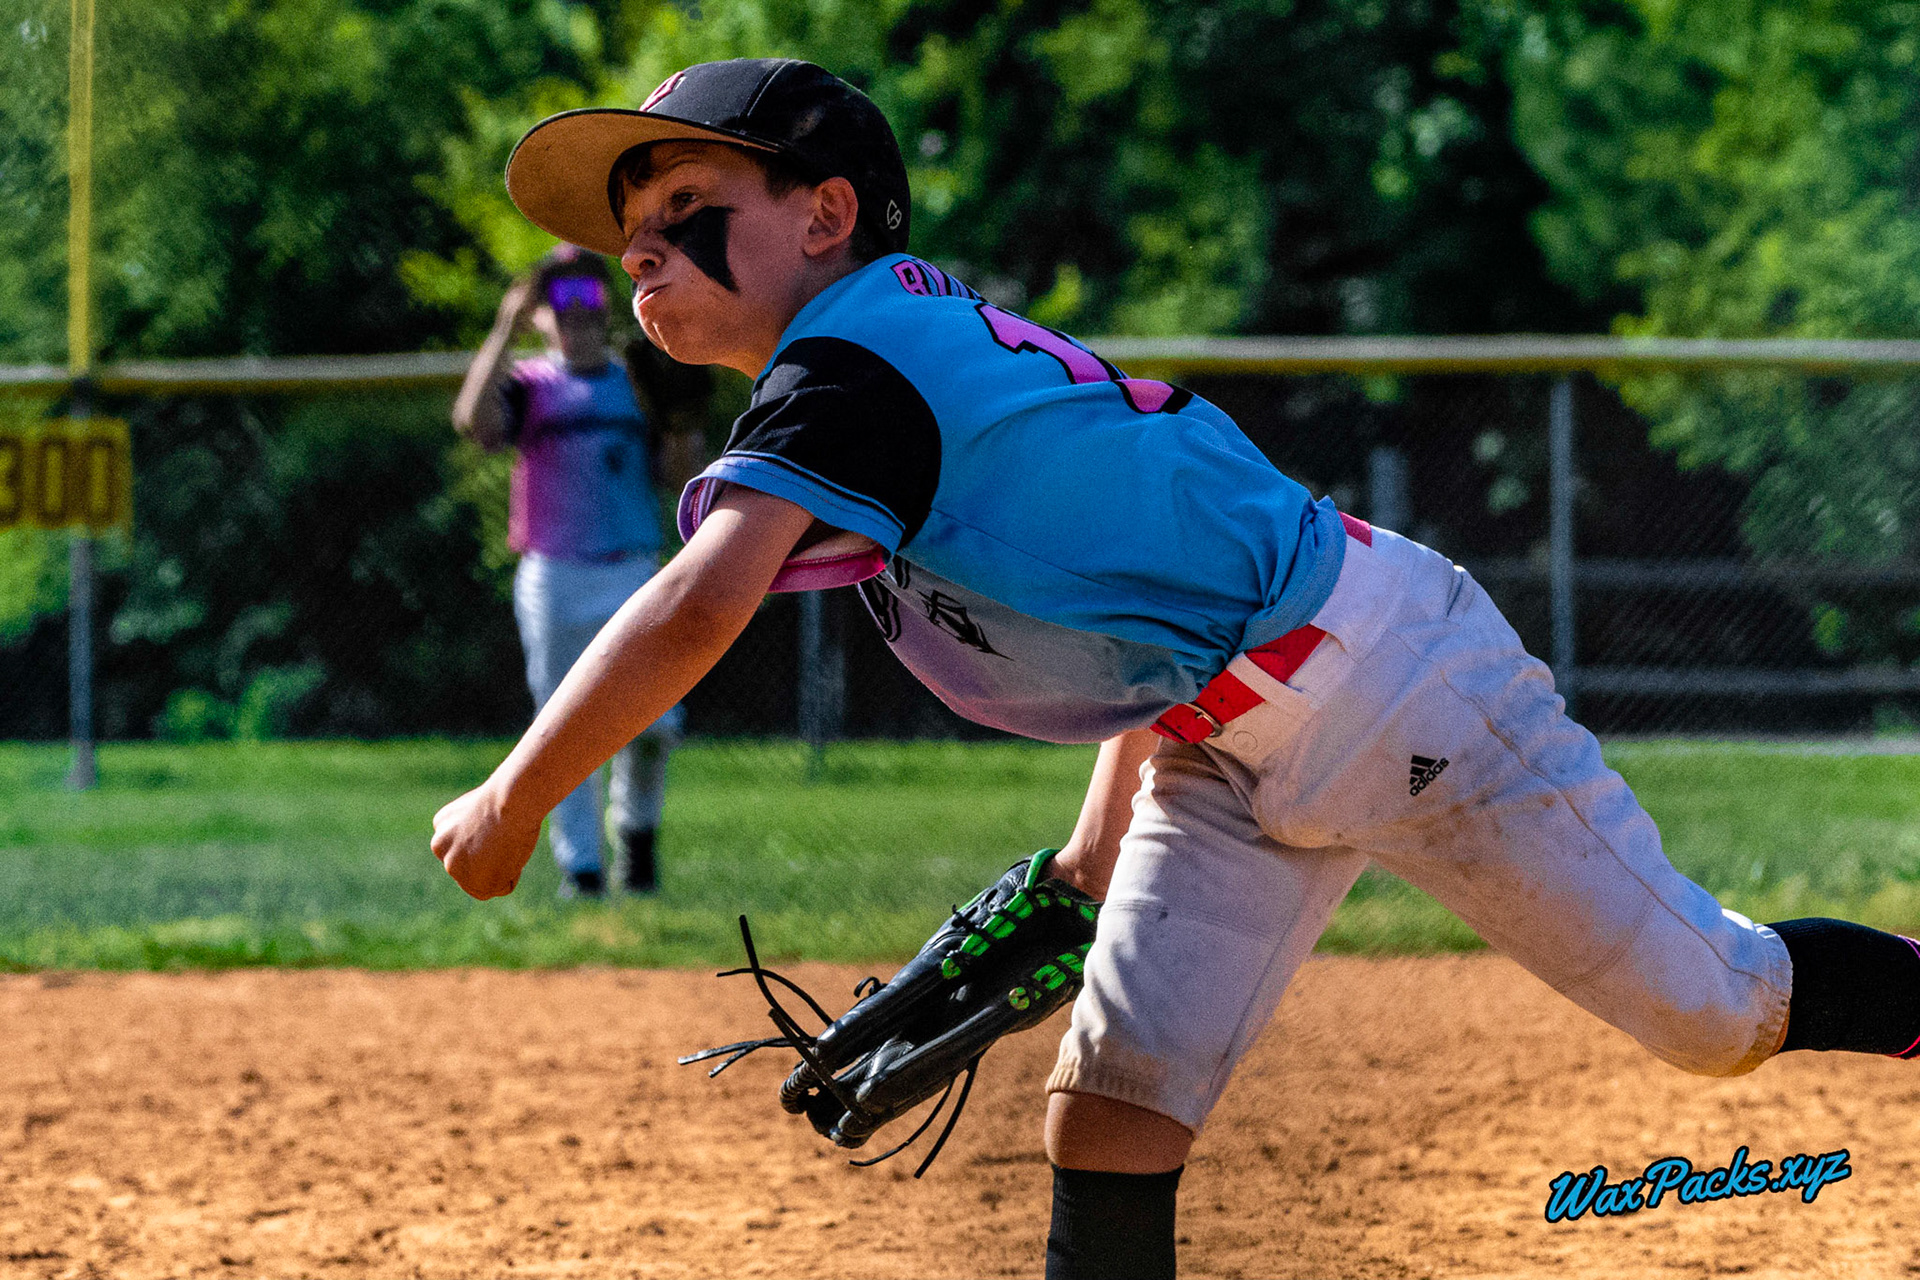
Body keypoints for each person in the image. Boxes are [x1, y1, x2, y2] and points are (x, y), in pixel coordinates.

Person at [433, 58, 1920, 1278]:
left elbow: (696, 610)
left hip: (1399, 685)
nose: (640, 249)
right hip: (1220, 737)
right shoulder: (887, 358)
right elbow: (1141, 589)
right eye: (629, 232)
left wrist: (514, 800)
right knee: (1114, 1110)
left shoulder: (847, 366)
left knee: (1720, 1011)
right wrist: (1093, 855)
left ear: (827, 214)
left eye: (686, 206)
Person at [450, 246, 708, 897]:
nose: (575, 312)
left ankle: (637, 840)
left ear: (607, 304)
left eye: (587, 295)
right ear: (540, 313)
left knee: (655, 724)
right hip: (554, 575)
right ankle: (582, 870)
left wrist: (681, 423)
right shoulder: (531, 384)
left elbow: (679, 476)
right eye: (558, 299)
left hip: (632, 570)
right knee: (559, 731)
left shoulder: (637, 381)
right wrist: (505, 325)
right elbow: (473, 423)